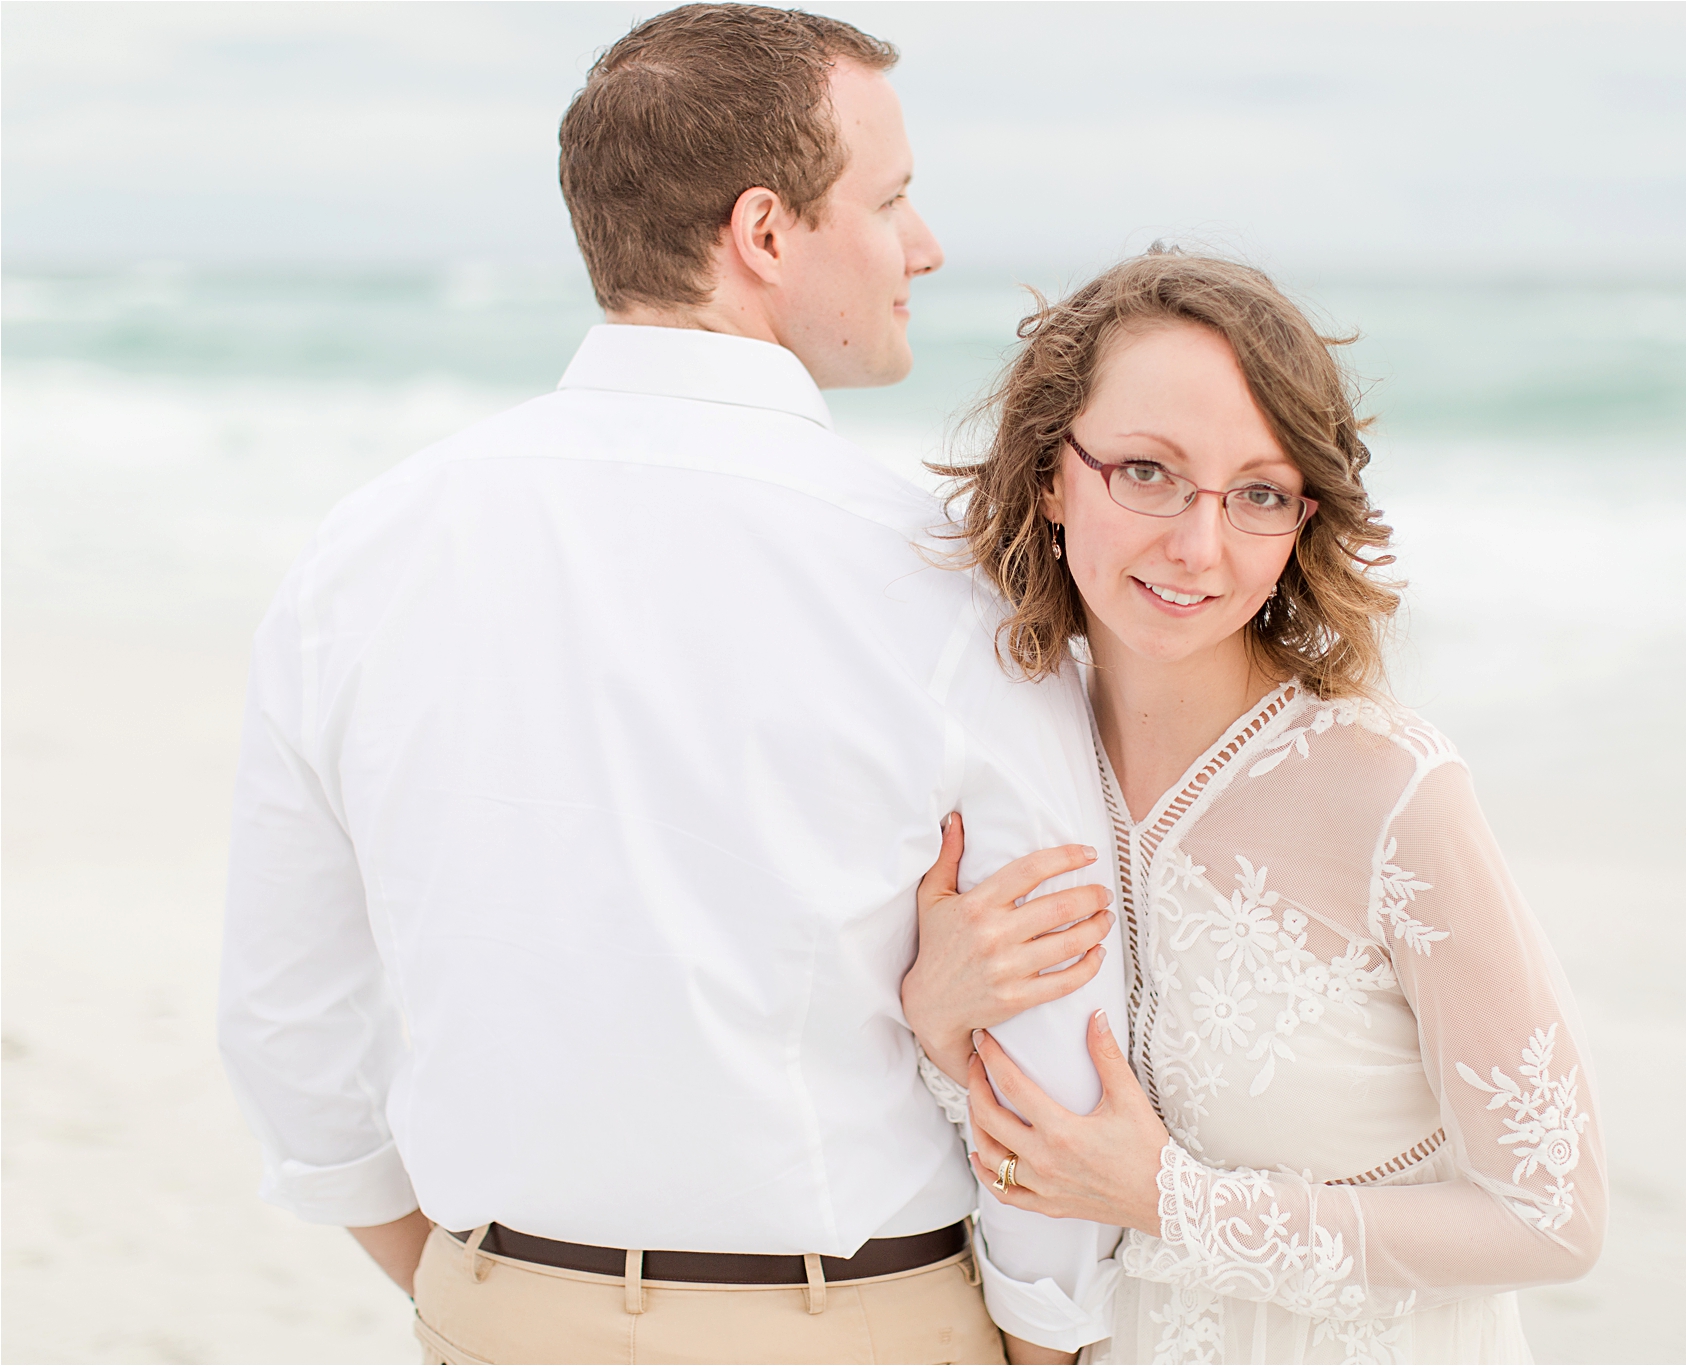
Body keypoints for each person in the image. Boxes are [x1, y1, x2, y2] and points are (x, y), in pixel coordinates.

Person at [218, 7, 1126, 1362]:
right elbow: (1057, 1016)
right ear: (765, 233)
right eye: (889, 201)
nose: (924, 247)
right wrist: (1046, 1337)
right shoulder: (946, 585)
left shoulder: (369, 549)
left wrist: (472, 1288)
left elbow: (286, 1016)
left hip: (497, 1307)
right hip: (852, 1325)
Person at [904, 252, 1607, 1363]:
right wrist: (937, 1024)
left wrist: (1172, 1203)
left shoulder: (1391, 791)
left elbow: (1552, 1213)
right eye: (1146, 471)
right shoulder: (997, 758)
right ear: (1049, 472)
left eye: (1258, 493)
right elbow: (1014, 1161)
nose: (1198, 544)